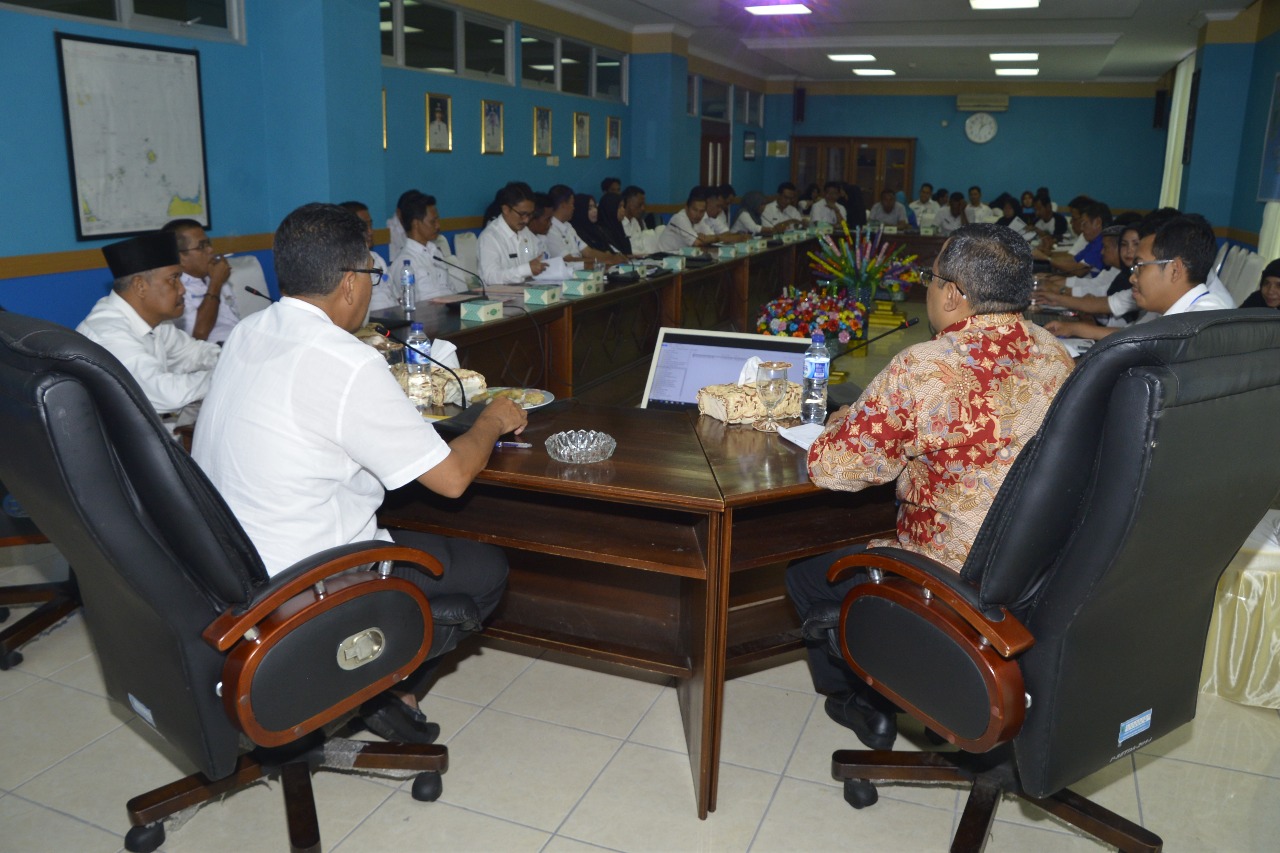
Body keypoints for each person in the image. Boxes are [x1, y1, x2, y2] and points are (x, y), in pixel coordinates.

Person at [193, 202, 527, 745]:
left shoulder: (249, 331)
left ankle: (378, 690)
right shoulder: (346, 361)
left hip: (229, 570)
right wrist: (492, 419)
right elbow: (452, 479)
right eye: (371, 273)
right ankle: (383, 687)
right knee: (485, 568)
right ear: (350, 283)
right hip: (308, 581)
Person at [785, 223, 1074, 747]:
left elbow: (833, 468)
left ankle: (862, 700)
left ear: (953, 294)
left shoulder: (928, 367)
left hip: (949, 576)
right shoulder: (1055, 353)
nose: (928, 288)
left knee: (807, 575)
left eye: (931, 278)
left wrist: (840, 423)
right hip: (1035, 571)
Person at [77, 231, 221, 430]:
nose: (182, 289)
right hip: (116, 444)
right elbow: (167, 395)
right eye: (173, 279)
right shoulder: (108, 334)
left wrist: (230, 359)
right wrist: (227, 374)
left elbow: (194, 353)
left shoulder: (157, 322)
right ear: (140, 286)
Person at [1044, 214, 1232, 341]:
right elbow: (1139, 336)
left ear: (1175, 270)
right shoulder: (1176, 313)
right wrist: (1074, 328)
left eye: (1140, 267)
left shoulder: (1203, 325)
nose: (1132, 278)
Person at [382, 190, 469, 309]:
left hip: (451, 310)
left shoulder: (435, 253)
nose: (438, 226)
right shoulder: (404, 263)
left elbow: (451, 289)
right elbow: (411, 307)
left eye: (438, 220)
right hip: (428, 316)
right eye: (433, 221)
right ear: (416, 224)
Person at [164, 218, 240, 344]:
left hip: (238, 341)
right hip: (211, 350)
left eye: (209, 243)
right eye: (202, 246)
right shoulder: (175, 288)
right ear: (180, 258)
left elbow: (233, 320)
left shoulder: (214, 273)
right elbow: (199, 334)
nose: (210, 250)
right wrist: (216, 283)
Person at [477, 184, 546, 283]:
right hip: (498, 292)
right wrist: (525, 270)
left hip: (528, 289)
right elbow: (490, 277)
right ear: (506, 209)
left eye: (530, 215)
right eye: (522, 214)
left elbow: (529, 252)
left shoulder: (525, 232)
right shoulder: (489, 237)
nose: (526, 220)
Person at [546, 185, 625, 263]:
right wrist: (601, 262)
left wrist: (613, 258)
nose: (574, 208)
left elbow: (588, 252)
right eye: (572, 204)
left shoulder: (568, 226)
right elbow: (567, 259)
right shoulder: (550, 229)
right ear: (563, 205)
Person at [338, 200, 389, 299]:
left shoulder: (377, 258)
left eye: (370, 225)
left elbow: (394, 295)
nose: (370, 232)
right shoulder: (341, 267)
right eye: (364, 227)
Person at [1048, 201, 1111, 276]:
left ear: (1098, 222)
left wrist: (1046, 259)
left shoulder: (1102, 243)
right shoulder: (1093, 243)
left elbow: (1080, 270)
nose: (1081, 228)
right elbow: (1073, 260)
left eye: (1084, 224)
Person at [658, 186, 719, 253]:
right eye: (694, 210)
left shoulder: (698, 220)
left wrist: (710, 238)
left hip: (681, 256)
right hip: (665, 257)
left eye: (702, 211)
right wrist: (709, 239)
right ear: (686, 208)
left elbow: (713, 237)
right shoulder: (679, 219)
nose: (698, 214)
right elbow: (697, 243)